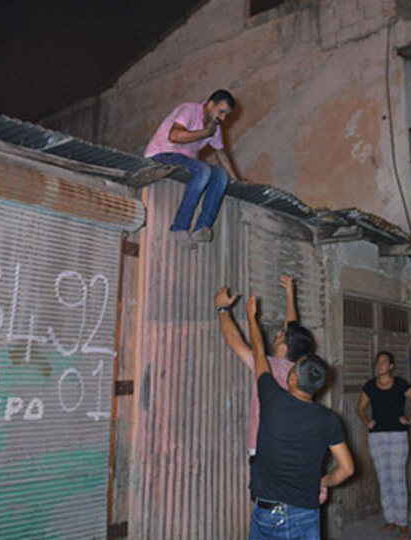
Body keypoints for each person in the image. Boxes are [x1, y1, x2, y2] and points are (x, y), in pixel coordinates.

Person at [244, 293, 354, 539]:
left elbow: (260, 354)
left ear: (291, 379)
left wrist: (251, 318)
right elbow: (346, 469)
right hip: (305, 513)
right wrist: (323, 482)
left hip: (266, 511)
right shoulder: (328, 419)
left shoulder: (272, 399)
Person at [216, 275, 315, 459]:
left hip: (263, 448)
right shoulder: (301, 372)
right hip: (289, 447)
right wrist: (289, 295)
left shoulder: (270, 367)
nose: (278, 333)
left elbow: (233, 341)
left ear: (284, 347)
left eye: (281, 334)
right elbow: (292, 330)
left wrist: (222, 308)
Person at [144, 89, 241, 249]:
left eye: (226, 115)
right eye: (221, 111)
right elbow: (174, 136)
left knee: (221, 175)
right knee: (203, 171)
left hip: (185, 160)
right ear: (210, 104)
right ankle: (180, 227)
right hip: (163, 153)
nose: (222, 118)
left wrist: (235, 179)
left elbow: (221, 153)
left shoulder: (214, 128)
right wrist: (204, 133)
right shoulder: (189, 110)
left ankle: (202, 227)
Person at [355, 351, 411, 540]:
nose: (380, 366)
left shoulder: (400, 384)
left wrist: (409, 420)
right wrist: (366, 421)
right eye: (378, 363)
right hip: (377, 438)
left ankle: (403, 525)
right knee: (383, 479)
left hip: (397, 436)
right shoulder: (370, 386)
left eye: (384, 363)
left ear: (391, 366)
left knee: (398, 480)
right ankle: (391, 519)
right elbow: (359, 408)